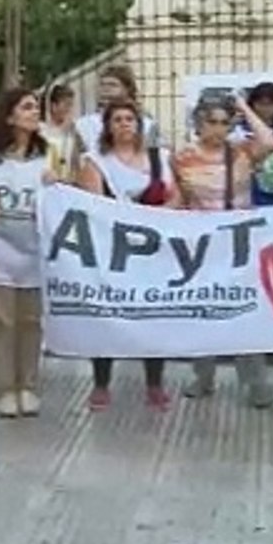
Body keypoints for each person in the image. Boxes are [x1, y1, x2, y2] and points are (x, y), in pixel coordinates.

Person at [76, 99, 179, 412]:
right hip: (113, 250)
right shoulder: (95, 161)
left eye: (129, 119)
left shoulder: (161, 158)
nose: (124, 124)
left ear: (139, 124)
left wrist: (155, 216)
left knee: (153, 316)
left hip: (152, 250)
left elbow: (178, 196)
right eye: (117, 119)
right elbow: (94, 204)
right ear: (107, 126)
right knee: (106, 317)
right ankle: (101, 383)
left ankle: (154, 383)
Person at [176, 95, 273, 408]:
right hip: (200, 245)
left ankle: (256, 383)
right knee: (202, 313)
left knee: (243, 313)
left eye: (224, 122)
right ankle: (203, 377)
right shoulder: (182, 157)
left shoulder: (242, 152)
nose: (219, 129)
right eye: (212, 122)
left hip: (238, 243)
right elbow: (177, 197)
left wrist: (244, 108)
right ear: (198, 124)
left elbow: (269, 141)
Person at [0, 87, 50, 418]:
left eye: (36, 108)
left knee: (31, 322)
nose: (34, 113)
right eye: (27, 107)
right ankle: (4, 388)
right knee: (1, 322)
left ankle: (28, 386)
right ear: (9, 115)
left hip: (36, 253)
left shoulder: (49, 157)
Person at [74, 64, 159, 153]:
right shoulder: (83, 124)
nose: (106, 89)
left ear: (128, 89)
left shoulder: (147, 124)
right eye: (103, 85)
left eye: (112, 85)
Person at [39, 80, 85, 184]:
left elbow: (78, 162)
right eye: (66, 105)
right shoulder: (39, 130)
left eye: (71, 105)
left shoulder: (74, 132)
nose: (70, 109)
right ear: (53, 106)